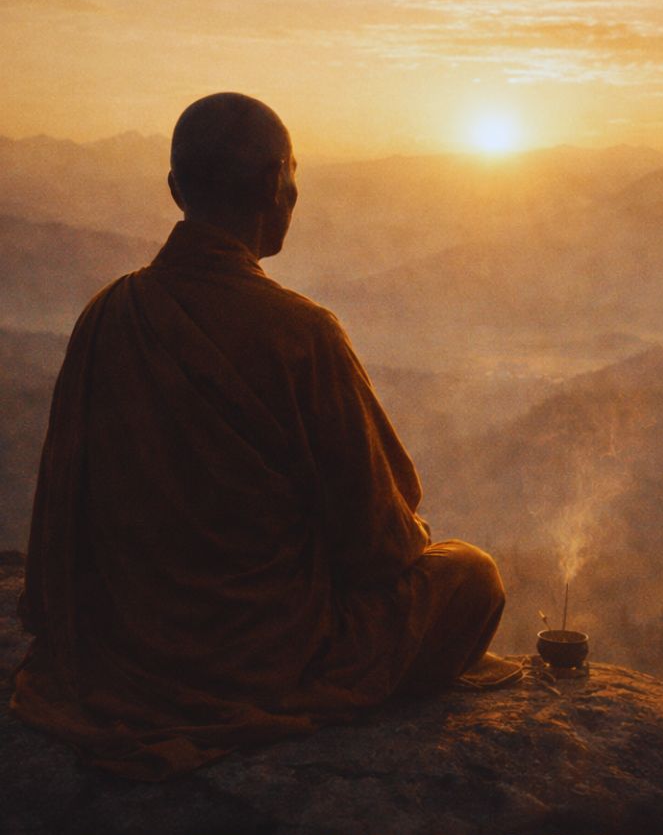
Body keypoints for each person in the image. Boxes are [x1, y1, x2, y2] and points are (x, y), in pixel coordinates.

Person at [12, 93, 511, 779]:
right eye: (294, 171)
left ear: (175, 189)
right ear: (279, 184)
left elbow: (59, 517)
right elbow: (377, 547)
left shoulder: (107, 314)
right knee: (472, 577)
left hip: (119, 652)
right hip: (258, 658)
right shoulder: (301, 333)